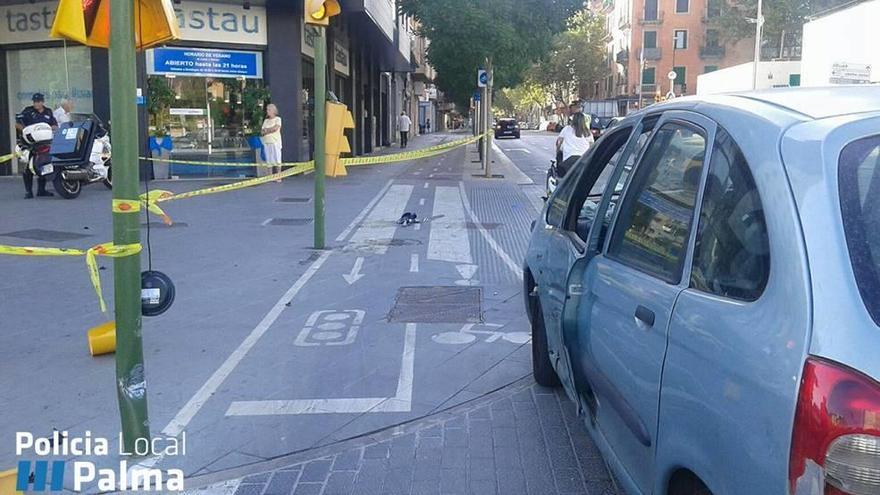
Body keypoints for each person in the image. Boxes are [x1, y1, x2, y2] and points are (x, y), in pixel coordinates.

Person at [16, 93, 58, 198]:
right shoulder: (28, 111)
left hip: (45, 143)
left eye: (38, 102)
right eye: (34, 102)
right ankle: (28, 192)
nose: (36, 104)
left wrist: (50, 128)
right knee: (28, 167)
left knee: (44, 165)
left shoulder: (48, 111)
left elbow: (55, 125)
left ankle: (41, 190)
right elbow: (18, 124)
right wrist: (26, 131)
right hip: (30, 143)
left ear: (42, 102)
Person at [555, 112, 593, 178]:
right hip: (584, 159)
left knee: (560, 159)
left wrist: (558, 150)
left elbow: (558, 142)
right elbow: (592, 146)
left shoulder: (567, 129)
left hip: (569, 159)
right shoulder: (587, 132)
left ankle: (560, 178)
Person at [261, 104, 283, 181]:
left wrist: (267, 130)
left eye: (268, 110)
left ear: (273, 111)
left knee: (277, 158)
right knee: (269, 159)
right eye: (267, 110)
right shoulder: (266, 121)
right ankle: (270, 176)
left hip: (275, 141)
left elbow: (275, 128)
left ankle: (279, 176)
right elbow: (262, 131)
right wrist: (268, 130)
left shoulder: (278, 119)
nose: (267, 111)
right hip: (266, 142)